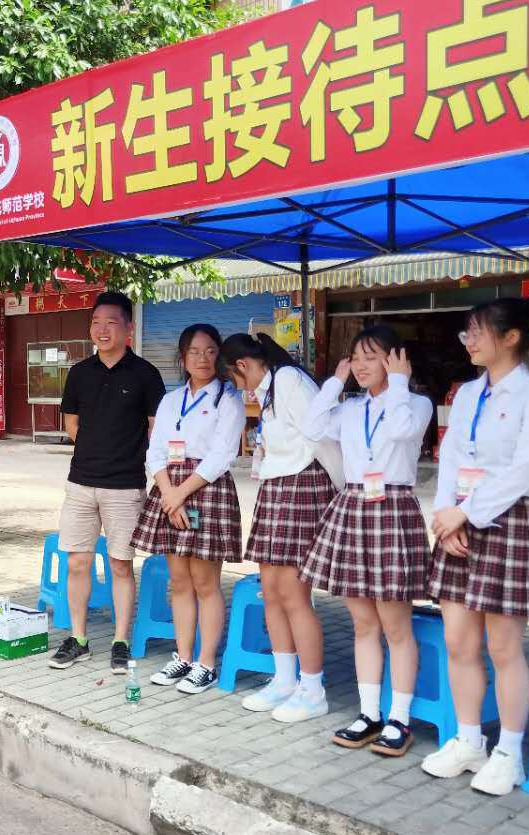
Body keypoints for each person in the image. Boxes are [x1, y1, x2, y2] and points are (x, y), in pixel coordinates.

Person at [421, 294, 529, 797]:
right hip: (459, 523)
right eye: (465, 332)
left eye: (476, 332)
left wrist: (465, 513)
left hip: (510, 522)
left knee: (504, 647)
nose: (467, 341)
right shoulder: (467, 394)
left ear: (510, 338)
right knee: (458, 641)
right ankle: (469, 740)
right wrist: (447, 515)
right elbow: (449, 457)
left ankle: (509, 751)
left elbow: (524, 471)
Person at [299, 326, 434, 757]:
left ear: (395, 360)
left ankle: (399, 718)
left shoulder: (416, 403)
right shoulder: (351, 407)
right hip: (354, 505)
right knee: (364, 624)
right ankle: (370, 713)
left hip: (393, 508)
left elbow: (399, 431)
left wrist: (397, 382)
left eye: (370, 357)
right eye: (355, 357)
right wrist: (335, 382)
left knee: (396, 625)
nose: (360, 365)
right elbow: (312, 425)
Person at [222, 333, 343, 722]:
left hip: (304, 486)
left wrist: (341, 489)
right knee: (271, 591)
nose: (239, 389)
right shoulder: (269, 390)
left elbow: (321, 438)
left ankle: (312, 688)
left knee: (293, 595)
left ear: (242, 365)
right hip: (276, 489)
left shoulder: (289, 380)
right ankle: (285, 679)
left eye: (235, 378)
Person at [49, 290, 167, 673]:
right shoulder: (79, 372)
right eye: (96, 323)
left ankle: (119, 640)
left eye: (111, 323)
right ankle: (78, 638)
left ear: (128, 328)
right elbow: (71, 424)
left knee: (120, 565)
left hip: (125, 485)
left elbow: (156, 430)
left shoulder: (146, 374)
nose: (102, 330)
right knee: (78, 562)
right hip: (81, 482)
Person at [131, 324, 246, 694]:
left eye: (211, 351)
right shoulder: (170, 399)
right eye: (195, 352)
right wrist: (167, 492)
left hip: (205, 489)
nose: (203, 359)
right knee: (179, 581)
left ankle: (206, 663)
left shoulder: (228, 398)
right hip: (170, 491)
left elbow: (222, 455)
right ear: (182, 357)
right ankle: (182, 656)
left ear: (220, 356)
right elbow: (155, 452)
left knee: (205, 582)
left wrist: (180, 493)